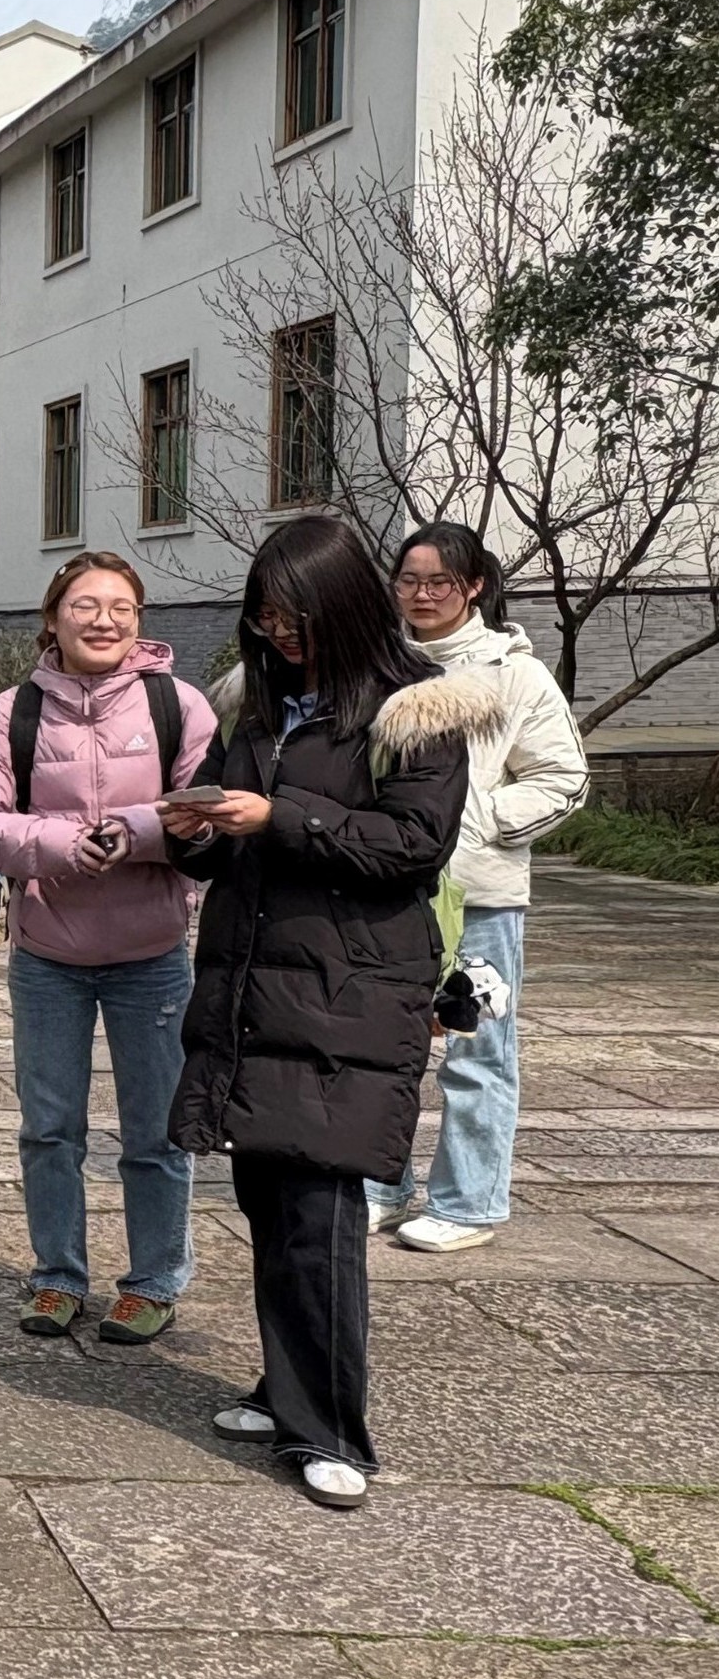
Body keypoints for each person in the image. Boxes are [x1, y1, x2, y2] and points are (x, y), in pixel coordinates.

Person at [164, 517, 471, 1510]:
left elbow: (412, 844)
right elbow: (235, 834)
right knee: (269, 1203)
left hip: (349, 991)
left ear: (341, 607)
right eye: (265, 618)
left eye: (295, 618)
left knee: (319, 1217)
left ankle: (331, 1429)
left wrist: (280, 816)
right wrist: (197, 829)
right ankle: (283, 1387)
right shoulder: (259, 701)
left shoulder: (414, 709)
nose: (279, 634)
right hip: (257, 983)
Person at [0, 552, 218, 1342]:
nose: (104, 619)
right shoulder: (10, 712)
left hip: (153, 953)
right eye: (85, 605)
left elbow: (205, 807)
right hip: (48, 954)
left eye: (122, 606)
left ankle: (153, 1279)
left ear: (140, 621)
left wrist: (134, 830)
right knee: (50, 1127)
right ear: (53, 618)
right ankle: (56, 1274)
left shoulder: (177, 704)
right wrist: (60, 845)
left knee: (156, 1129)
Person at [367, 522, 589, 1253]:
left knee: (476, 1049)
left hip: (480, 895)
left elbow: (564, 777)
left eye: (439, 581)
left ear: (474, 587)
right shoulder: (376, 663)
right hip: (382, 886)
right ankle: (379, 1184)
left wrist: (477, 818)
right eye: (409, 580)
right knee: (379, 1043)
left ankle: (468, 1203)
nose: (422, 594)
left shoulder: (514, 674)